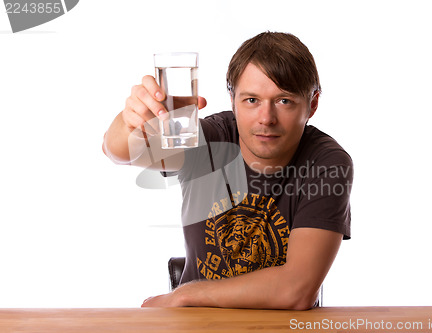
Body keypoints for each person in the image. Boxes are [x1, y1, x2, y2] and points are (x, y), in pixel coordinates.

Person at [103, 32, 353, 310]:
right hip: (197, 326)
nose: (266, 118)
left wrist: (185, 295)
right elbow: (119, 151)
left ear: (313, 104)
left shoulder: (327, 163)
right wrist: (128, 121)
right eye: (252, 100)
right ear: (232, 99)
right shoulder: (208, 140)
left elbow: (295, 290)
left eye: (284, 101)